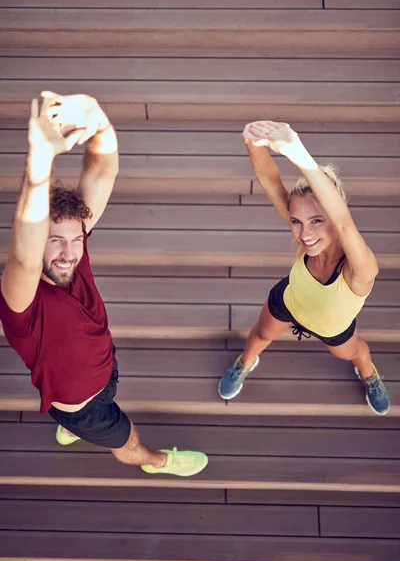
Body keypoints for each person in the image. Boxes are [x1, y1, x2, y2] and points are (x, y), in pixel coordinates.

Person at [0, 91, 208, 476]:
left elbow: (101, 172)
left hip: (105, 367)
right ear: (38, 239)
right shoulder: (21, 302)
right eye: (55, 240)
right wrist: (40, 159)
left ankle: (71, 429)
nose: (69, 252)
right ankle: (158, 462)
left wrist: (98, 120)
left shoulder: (73, 250)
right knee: (127, 443)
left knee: (108, 387)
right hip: (84, 409)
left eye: (76, 238)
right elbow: (24, 256)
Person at [218, 120, 389, 415]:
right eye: (296, 222)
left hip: (333, 330)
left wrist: (296, 150)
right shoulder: (309, 238)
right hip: (288, 302)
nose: (304, 235)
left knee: (356, 353)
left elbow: (345, 225)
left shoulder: (360, 269)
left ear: (332, 219)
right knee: (259, 336)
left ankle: (370, 376)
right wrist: (251, 143)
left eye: (316, 221)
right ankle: (245, 363)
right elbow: (271, 181)